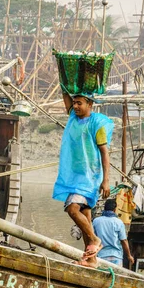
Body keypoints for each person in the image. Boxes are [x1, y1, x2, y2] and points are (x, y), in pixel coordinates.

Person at [53, 92, 114, 268]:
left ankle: (95, 239)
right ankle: (91, 259)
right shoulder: (73, 118)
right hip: (75, 175)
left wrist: (106, 180)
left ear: (90, 104)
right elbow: (65, 93)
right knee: (86, 217)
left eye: (80, 103)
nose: (76, 106)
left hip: (90, 176)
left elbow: (104, 153)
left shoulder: (98, 124)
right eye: (74, 103)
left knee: (72, 209)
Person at [92, 199, 134, 268]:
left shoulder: (96, 221)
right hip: (116, 256)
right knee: (115, 277)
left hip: (101, 256)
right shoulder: (119, 222)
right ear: (115, 210)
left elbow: (92, 239)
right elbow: (124, 240)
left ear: (104, 208)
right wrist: (129, 256)